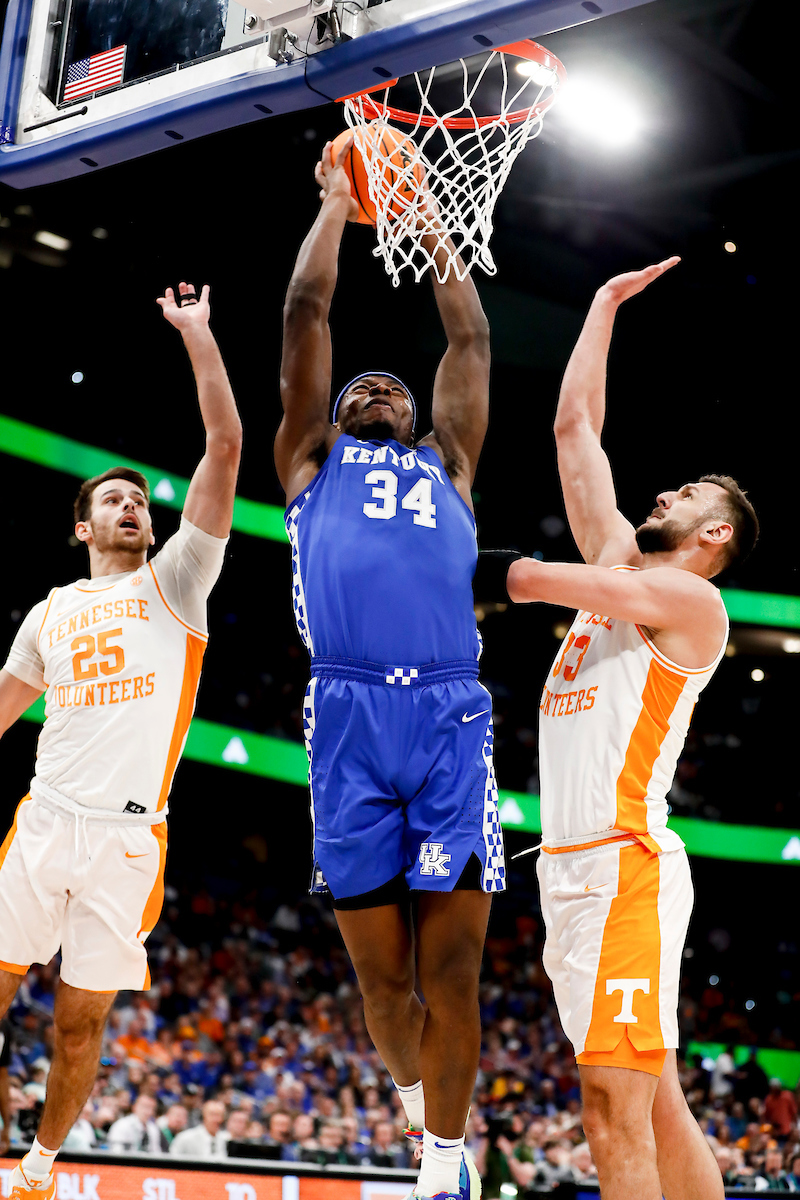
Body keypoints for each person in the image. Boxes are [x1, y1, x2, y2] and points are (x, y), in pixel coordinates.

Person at [475, 257, 758, 1200]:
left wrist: (443, 558)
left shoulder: (685, 602)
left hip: (627, 867)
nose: (667, 494)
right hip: (568, 871)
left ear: (714, 539)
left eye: (690, 499)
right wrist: (599, 306)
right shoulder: (625, 572)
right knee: (657, 1101)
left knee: (608, 1108)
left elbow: (532, 580)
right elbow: (575, 430)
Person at [274, 135, 501, 1200]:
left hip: (451, 717)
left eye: (389, 390)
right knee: (381, 979)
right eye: (357, 389)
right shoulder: (309, 459)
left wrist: (425, 223)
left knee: (452, 970)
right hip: (347, 713)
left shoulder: (447, 462)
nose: (374, 392)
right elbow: (306, 317)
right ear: (332, 416)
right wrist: (333, 202)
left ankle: (446, 1165)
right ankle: (419, 1110)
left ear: (415, 416)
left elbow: (470, 338)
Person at [0, 282, 242, 1198]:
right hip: (44, 821)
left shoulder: (179, 580)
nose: (132, 506)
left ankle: (39, 1165)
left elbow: (224, 447)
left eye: (140, 498)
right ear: (82, 527)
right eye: (113, 500)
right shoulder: (51, 610)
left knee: (76, 1027)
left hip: (130, 841)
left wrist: (198, 337)